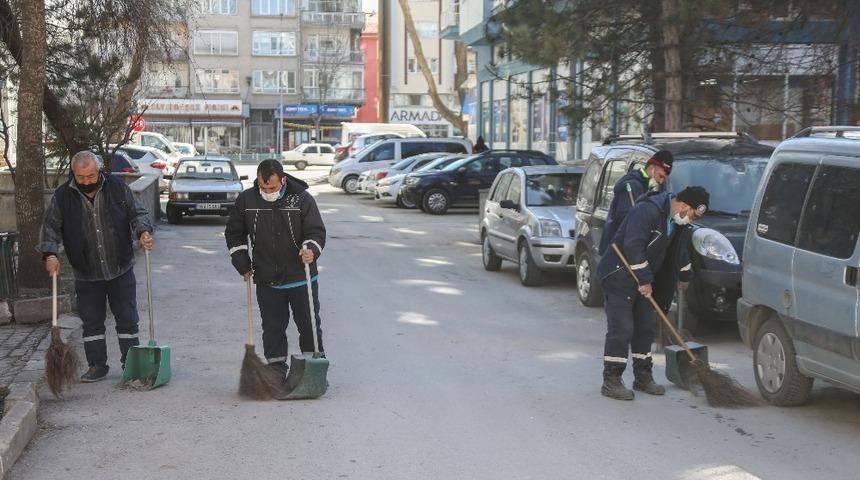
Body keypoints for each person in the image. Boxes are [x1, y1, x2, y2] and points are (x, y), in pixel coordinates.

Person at [39, 151, 154, 382]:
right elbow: (50, 227)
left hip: (119, 266)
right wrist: (50, 254)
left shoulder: (117, 187)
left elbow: (138, 213)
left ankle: (130, 363)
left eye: (91, 176)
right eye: (81, 177)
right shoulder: (63, 196)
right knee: (92, 322)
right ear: (74, 174)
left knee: (127, 319)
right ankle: (97, 365)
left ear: (98, 171)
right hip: (86, 271)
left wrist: (143, 231)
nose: (86, 181)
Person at [596, 186, 709, 400]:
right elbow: (633, 246)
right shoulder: (647, 210)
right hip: (619, 273)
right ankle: (611, 380)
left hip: (643, 277)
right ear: (685, 206)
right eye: (693, 214)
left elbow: (679, 251)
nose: (691, 220)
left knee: (645, 327)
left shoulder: (676, 222)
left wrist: (685, 276)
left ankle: (643, 376)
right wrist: (645, 280)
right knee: (622, 328)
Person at [225, 159, 327, 380]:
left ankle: (312, 369)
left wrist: (311, 249)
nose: (267, 192)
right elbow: (234, 233)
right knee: (273, 328)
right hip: (267, 278)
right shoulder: (247, 200)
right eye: (263, 188)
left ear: (282, 179)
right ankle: (277, 372)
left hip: (301, 277)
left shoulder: (301, 198)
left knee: (308, 325)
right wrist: (242, 263)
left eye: (272, 187)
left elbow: (316, 231)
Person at [598, 150, 673, 256]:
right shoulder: (632, 186)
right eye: (660, 176)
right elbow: (626, 220)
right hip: (617, 252)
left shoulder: (643, 186)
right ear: (652, 168)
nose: (661, 182)